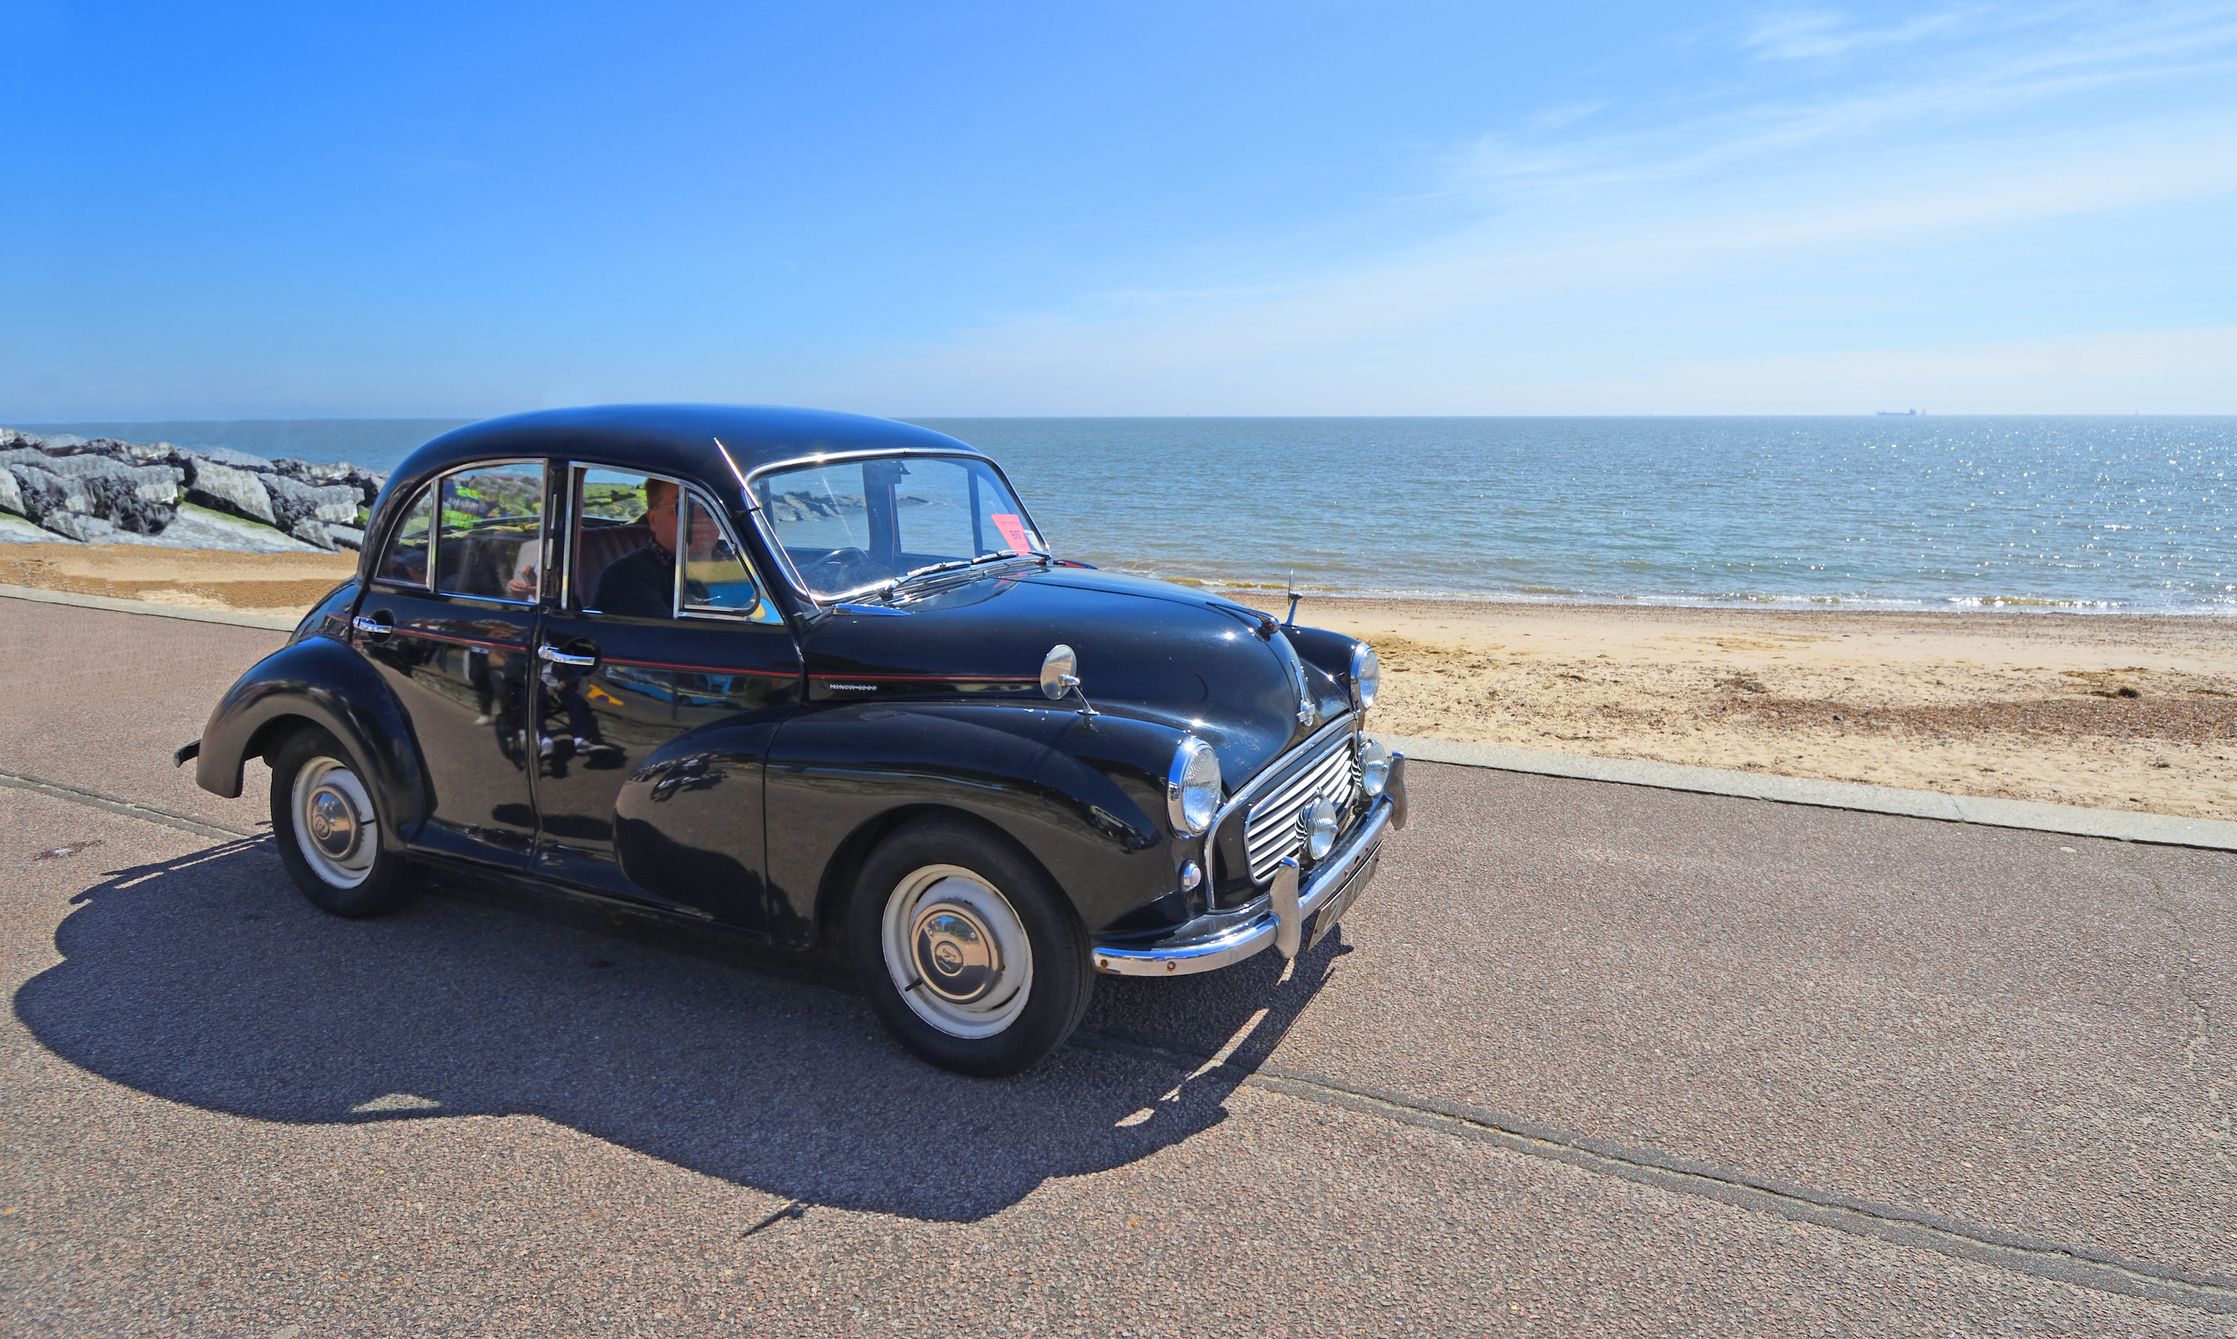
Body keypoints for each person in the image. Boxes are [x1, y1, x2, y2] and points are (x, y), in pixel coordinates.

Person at [592, 479, 681, 617]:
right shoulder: (625, 576)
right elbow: (663, 636)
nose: (701, 518)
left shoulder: (725, 559)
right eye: (683, 507)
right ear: (653, 519)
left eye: (708, 508)